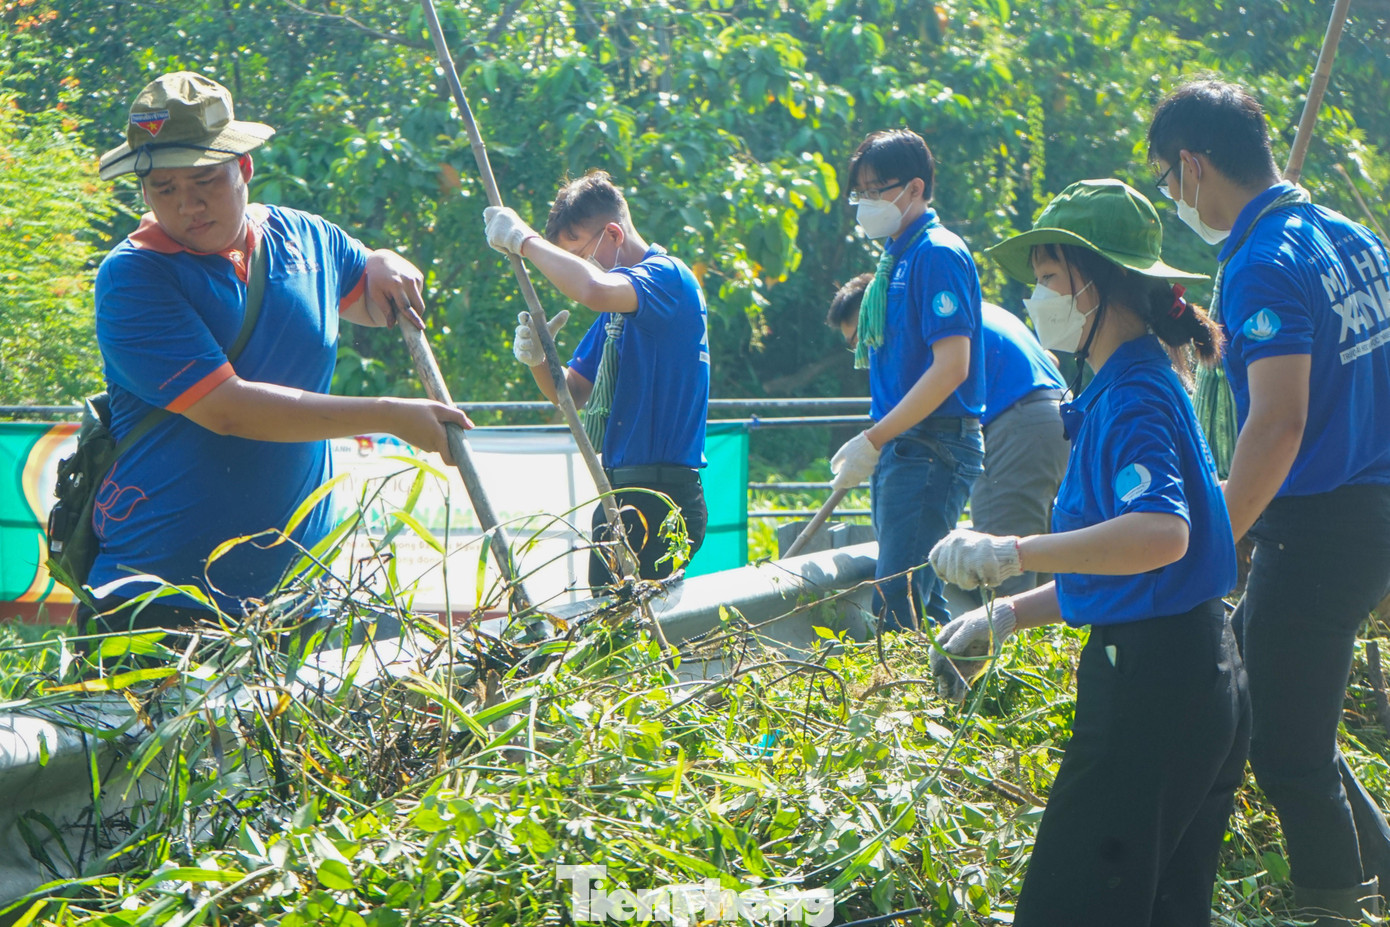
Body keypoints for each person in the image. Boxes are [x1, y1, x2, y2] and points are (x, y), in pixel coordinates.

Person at [928, 179, 1248, 926]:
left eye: (1046, 281)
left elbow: (1160, 535)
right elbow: (1128, 568)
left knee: (1070, 904)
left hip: (1152, 687)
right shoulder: (1127, 385)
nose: (1037, 299)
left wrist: (1011, 549)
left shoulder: (1135, 394)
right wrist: (1008, 613)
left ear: (1096, 281)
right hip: (1192, 667)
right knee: (1160, 904)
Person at [86, 71, 471, 633]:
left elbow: (368, 297)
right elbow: (229, 410)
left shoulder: (305, 237)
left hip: (295, 600)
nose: (188, 205)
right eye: (164, 189)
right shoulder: (134, 277)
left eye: (205, 181)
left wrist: (381, 258)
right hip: (160, 599)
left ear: (244, 169)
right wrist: (392, 416)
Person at [1150, 79, 1390, 922]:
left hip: (1318, 527)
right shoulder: (1350, 237)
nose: (1177, 200)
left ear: (1194, 164)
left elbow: (1278, 424)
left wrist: (1214, 539)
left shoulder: (1259, 263)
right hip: (1369, 511)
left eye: (1171, 183)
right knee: (1275, 694)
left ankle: (1334, 909)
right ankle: (1381, 876)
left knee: (1288, 752)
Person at [482, 171, 710, 589]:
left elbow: (592, 289)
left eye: (581, 254)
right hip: (621, 492)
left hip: (660, 497)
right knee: (611, 632)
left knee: (628, 639)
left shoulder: (665, 278)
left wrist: (524, 241)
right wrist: (537, 357)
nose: (584, 266)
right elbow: (569, 392)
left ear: (612, 234)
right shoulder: (618, 313)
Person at [828, 129, 985, 632]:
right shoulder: (897, 256)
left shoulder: (936, 253)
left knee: (898, 598)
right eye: (861, 192)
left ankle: (907, 705)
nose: (866, 202)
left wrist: (874, 438)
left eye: (878, 190)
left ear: (915, 188)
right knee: (917, 597)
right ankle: (947, 694)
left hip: (933, 445)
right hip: (905, 446)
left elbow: (952, 366)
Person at [826, 281, 1068, 597]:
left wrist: (873, 441)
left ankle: (1005, 645)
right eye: (853, 344)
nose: (865, 350)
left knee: (1000, 574)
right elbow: (1051, 360)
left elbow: (929, 398)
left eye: (862, 337)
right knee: (1040, 567)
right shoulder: (956, 311)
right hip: (1060, 417)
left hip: (1017, 427)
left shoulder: (919, 330)